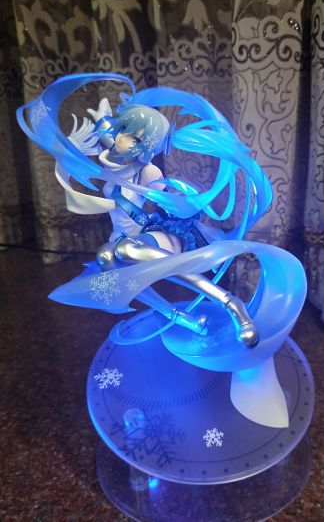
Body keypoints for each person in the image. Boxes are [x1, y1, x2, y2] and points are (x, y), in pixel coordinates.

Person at [17, 73, 274, 348]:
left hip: (157, 236)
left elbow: (168, 203)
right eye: (123, 130)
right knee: (106, 256)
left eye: (135, 139)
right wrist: (95, 129)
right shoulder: (114, 161)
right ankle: (178, 316)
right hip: (124, 239)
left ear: (146, 149)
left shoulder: (147, 171)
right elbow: (107, 139)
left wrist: (181, 201)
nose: (122, 139)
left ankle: (230, 302)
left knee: (124, 250)